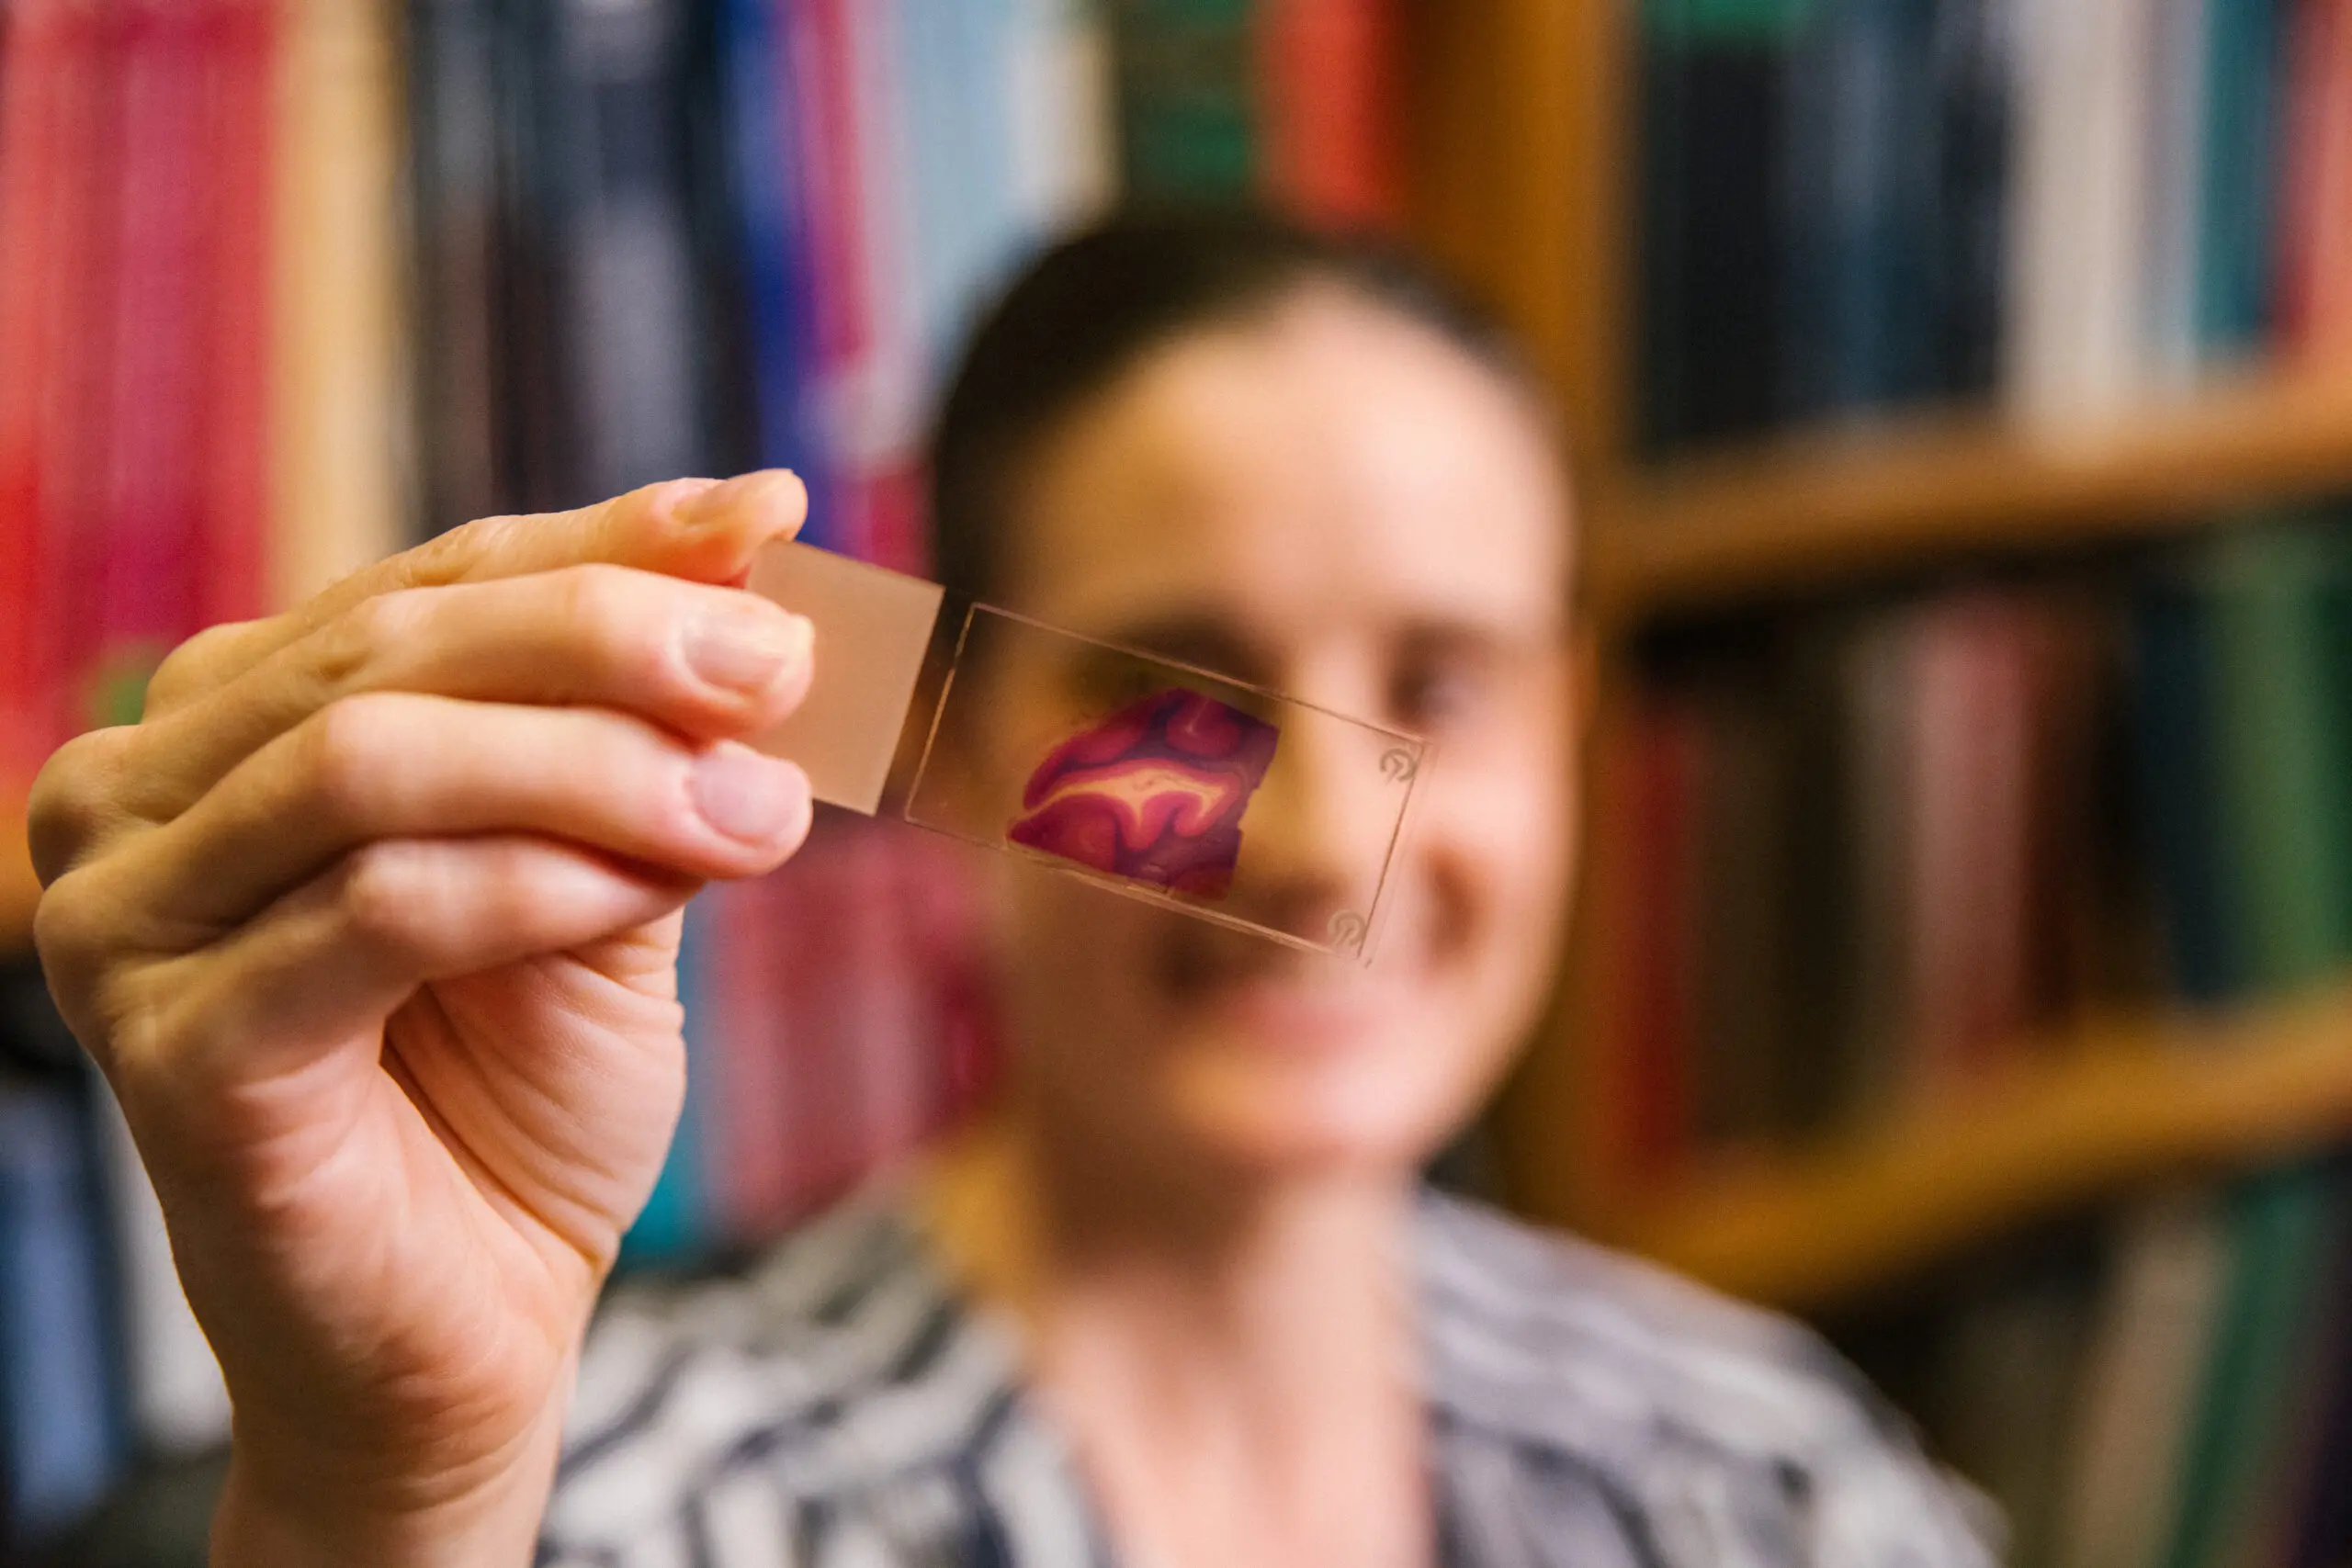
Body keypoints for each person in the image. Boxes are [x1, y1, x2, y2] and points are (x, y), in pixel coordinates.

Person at [27, 214, 1994, 1568]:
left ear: (1568, 734)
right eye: (1168, 697)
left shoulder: (1758, 1472)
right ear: (957, 757)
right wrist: (386, 1492)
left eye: (1440, 686)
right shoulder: (602, 1508)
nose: (1316, 835)